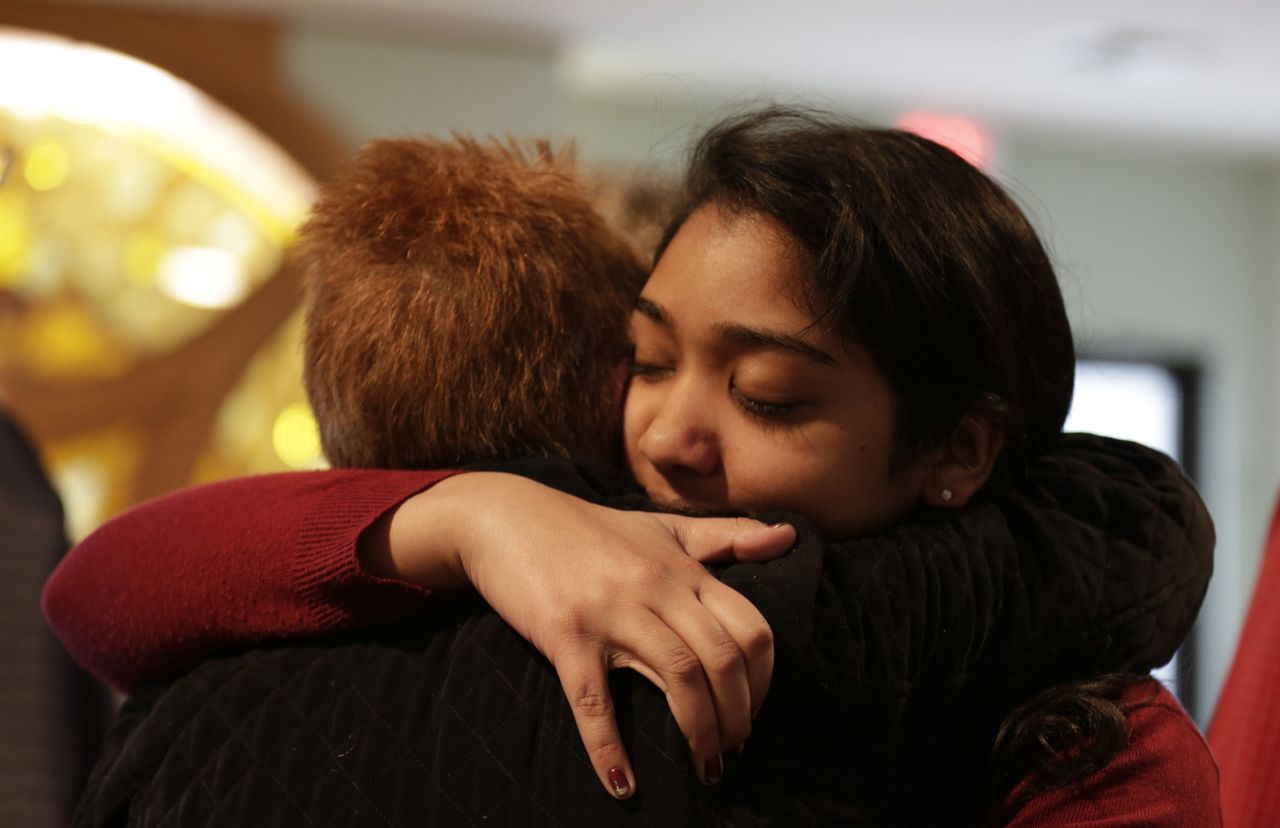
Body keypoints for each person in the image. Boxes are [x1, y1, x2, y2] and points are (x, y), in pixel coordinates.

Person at [48, 109, 1217, 823]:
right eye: (647, 362)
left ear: (957, 449)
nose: (666, 438)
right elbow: (106, 588)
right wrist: (473, 514)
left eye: (768, 396)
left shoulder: (1087, 747)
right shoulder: (532, 558)